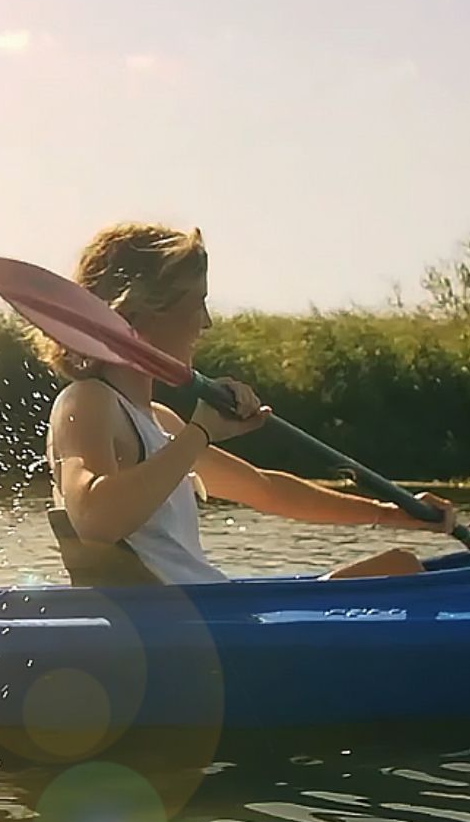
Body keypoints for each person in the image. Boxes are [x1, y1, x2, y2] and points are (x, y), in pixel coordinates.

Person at [39, 223, 445, 583]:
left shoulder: (160, 421)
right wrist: (199, 434)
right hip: (182, 631)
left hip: (211, 613)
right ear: (145, 309)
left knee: (396, 565)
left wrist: (390, 512)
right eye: (197, 302)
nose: (206, 321)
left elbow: (264, 489)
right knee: (402, 569)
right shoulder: (89, 401)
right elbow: (93, 517)